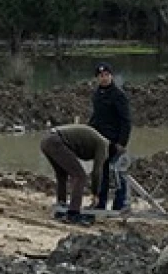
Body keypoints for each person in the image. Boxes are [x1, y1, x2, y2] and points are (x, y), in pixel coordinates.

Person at [40, 124, 110, 225]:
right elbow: (97, 171)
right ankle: (73, 213)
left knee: (62, 175)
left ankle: (61, 209)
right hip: (56, 141)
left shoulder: (96, 140)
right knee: (80, 176)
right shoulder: (103, 145)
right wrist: (95, 193)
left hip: (47, 140)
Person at [89, 62, 132, 210]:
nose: (104, 78)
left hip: (115, 141)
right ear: (97, 78)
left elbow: (126, 121)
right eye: (101, 76)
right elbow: (95, 118)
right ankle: (100, 204)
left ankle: (120, 205)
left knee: (118, 173)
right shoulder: (97, 95)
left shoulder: (118, 95)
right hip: (100, 141)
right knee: (102, 174)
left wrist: (122, 142)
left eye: (107, 75)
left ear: (111, 76)